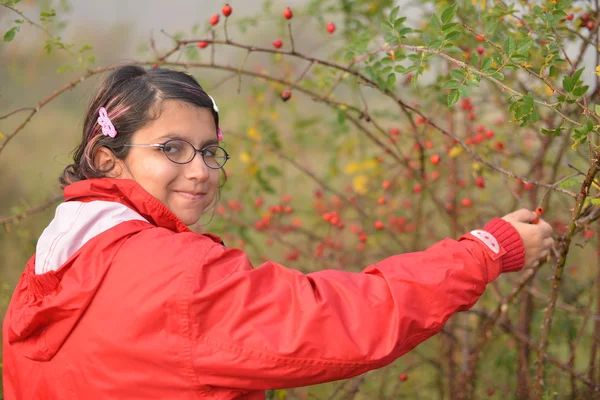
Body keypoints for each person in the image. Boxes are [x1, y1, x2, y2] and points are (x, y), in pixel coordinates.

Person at [2, 65, 555, 400]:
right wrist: (486, 251)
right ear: (107, 157)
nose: (200, 170)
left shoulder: (57, 258)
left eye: (209, 151)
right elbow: (339, 319)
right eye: (171, 148)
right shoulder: (175, 274)